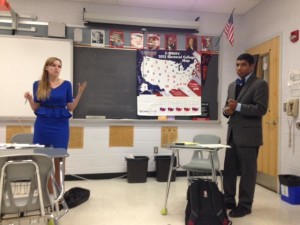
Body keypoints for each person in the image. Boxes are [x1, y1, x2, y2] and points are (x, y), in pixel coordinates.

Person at [24, 57, 87, 187]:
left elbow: (70, 107)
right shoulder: (38, 84)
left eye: (59, 66)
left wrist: (80, 93)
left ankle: (58, 190)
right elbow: (36, 108)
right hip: (43, 123)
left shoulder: (66, 85)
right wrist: (30, 99)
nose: (56, 68)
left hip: (60, 124)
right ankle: (45, 191)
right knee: (42, 157)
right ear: (46, 67)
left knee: (59, 158)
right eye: (53, 65)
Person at [222, 53, 269, 218]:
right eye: (236, 64)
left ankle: (245, 205)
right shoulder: (232, 85)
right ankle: (228, 200)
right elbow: (227, 108)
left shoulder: (260, 84)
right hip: (232, 134)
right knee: (229, 170)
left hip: (249, 136)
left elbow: (261, 109)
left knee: (248, 172)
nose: (238, 68)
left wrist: (239, 107)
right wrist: (226, 111)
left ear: (251, 66)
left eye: (242, 64)